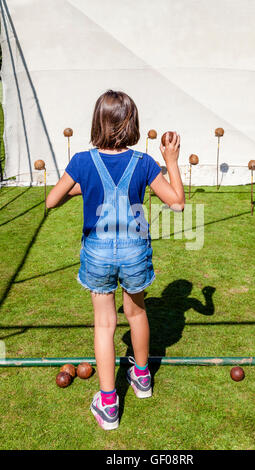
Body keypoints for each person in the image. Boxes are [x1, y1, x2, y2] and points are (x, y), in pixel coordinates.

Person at [46, 90, 185, 430]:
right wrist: (171, 159)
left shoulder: (81, 161)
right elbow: (178, 203)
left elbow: (51, 201)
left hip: (97, 252)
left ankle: (108, 405)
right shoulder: (144, 163)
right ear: (132, 124)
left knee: (105, 324)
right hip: (135, 250)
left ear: (98, 122)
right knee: (137, 313)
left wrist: (79, 186)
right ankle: (142, 380)